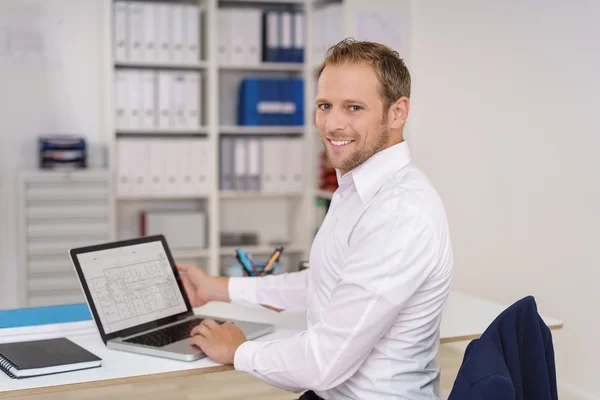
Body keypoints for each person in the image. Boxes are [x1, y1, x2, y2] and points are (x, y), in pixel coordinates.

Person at [177, 38, 453, 400]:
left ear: (398, 112)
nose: (333, 124)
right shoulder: (358, 188)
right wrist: (218, 288)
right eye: (325, 105)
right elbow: (324, 283)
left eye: (354, 107)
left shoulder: (399, 213)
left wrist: (238, 351)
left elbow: (323, 362)